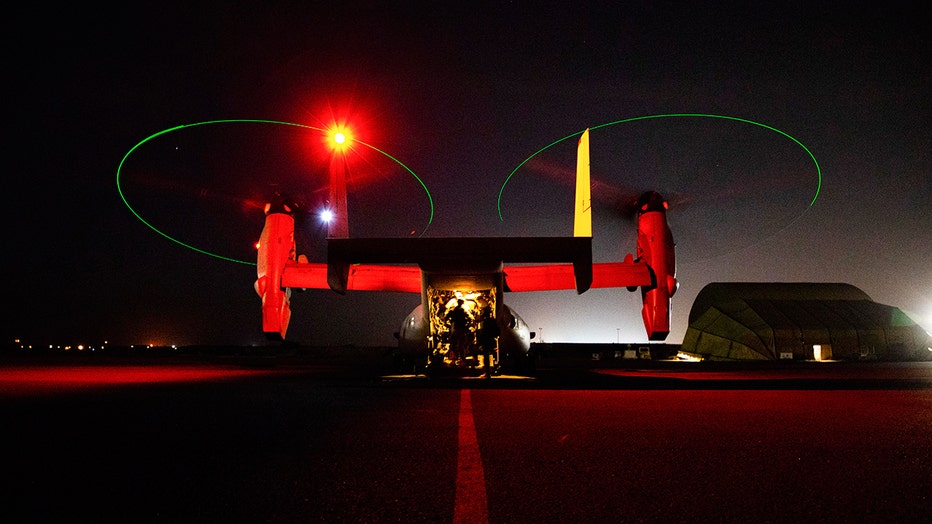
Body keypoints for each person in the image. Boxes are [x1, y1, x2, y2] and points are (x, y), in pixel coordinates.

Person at [476, 307, 500, 377]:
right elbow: (497, 331)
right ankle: (488, 372)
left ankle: (487, 373)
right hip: (490, 340)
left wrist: (479, 342)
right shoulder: (492, 320)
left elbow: (481, 332)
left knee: (486, 357)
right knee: (488, 356)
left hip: (485, 341)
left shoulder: (484, 321)